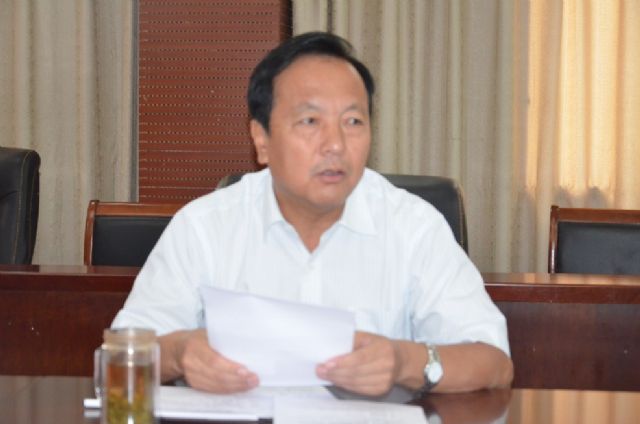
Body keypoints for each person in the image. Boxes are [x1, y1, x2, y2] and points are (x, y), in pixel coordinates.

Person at [112, 31, 513, 396]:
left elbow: (494, 363)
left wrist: (404, 361)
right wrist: (179, 353)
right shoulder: (204, 227)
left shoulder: (413, 226)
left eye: (353, 121)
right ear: (261, 139)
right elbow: (121, 357)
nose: (335, 144)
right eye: (310, 121)